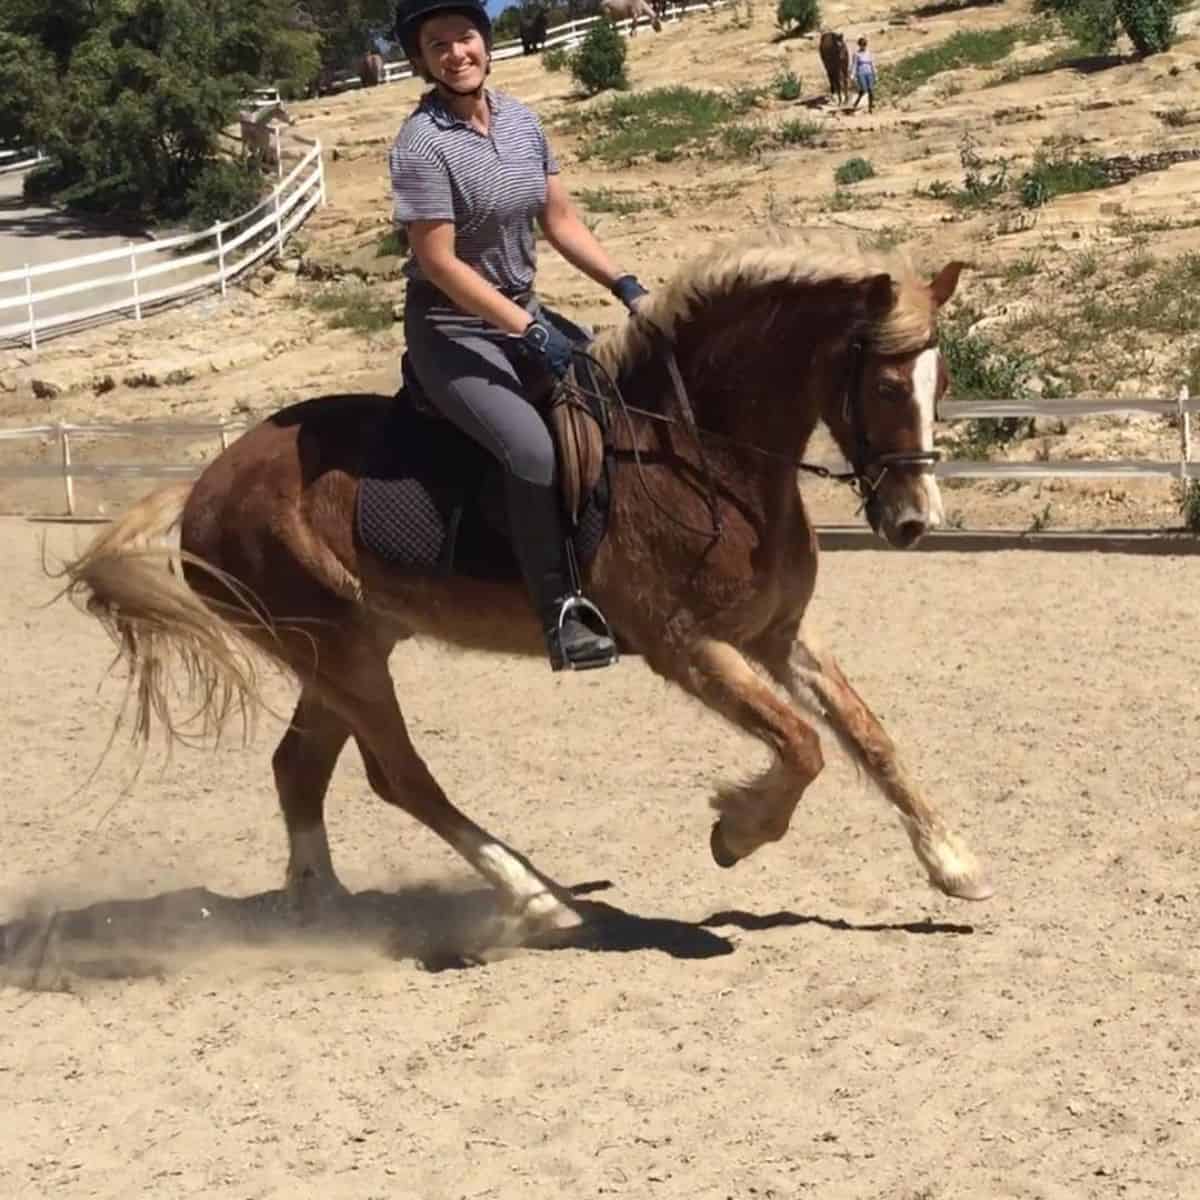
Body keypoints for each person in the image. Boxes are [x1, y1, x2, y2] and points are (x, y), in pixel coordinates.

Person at [388, 0, 648, 672]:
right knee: (532, 450)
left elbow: (559, 221)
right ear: (420, 59)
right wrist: (526, 329)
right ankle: (559, 610)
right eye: (436, 44)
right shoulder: (420, 145)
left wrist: (625, 285)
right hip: (450, 327)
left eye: (465, 37)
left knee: (616, 401)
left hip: (520, 311)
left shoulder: (523, 122)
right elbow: (440, 262)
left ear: (486, 41)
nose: (455, 53)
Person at [851, 35, 876, 113]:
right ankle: (857, 101)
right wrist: (852, 74)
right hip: (861, 73)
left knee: (871, 90)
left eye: (865, 44)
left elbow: (872, 63)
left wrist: (875, 72)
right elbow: (854, 65)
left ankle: (870, 107)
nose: (864, 46)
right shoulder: (856, 54)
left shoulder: (869, 53)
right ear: (860, 45)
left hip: (869, 73)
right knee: (864, 90)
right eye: (862, 45)